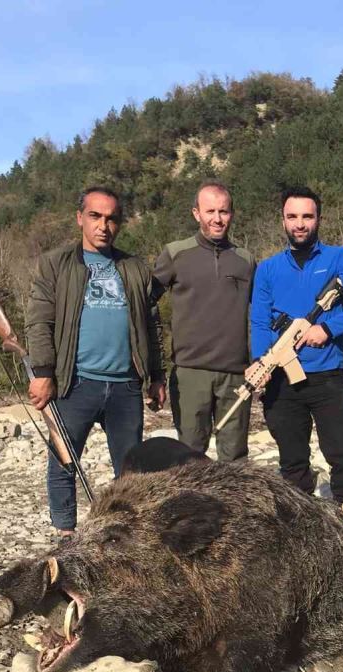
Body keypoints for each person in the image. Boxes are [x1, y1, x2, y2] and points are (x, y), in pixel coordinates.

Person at [26, 185, 165, 536]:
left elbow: (152, 325)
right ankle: (65, 539)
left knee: (130, 474)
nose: (104, 225)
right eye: (95, 216)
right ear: (80, 218)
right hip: (75, 384)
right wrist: (43, 373)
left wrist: (156, 375)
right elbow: (39, 320)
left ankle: (124, 543)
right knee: (63, 462)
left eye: (111, 218)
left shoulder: (134, 267)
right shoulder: (54, 264)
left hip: (125, 386)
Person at [250, 186, 343, 515]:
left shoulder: (339, 259)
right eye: (292, 217)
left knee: (342, 453)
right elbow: (260, 323)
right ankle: (301, 526)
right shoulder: (267, 269)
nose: (300, 224)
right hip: (280, 381)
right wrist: (260, 363)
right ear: (283, 221)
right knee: (292, 462)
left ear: (318, 218)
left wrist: (327, 328)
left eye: (307, 216)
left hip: (328, 377)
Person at [153, 181, 256, 462]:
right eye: (210, 211)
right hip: (189, 373)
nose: (217, 218)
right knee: (188, 456)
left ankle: (235, 508)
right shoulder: (175, 254)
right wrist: (153, 368)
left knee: (235, 458)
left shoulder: (246, 260)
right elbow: (145, 304)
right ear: (196, 213)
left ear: (232, 214)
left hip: (236, 374)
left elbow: (259, 315)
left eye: (224, 211)